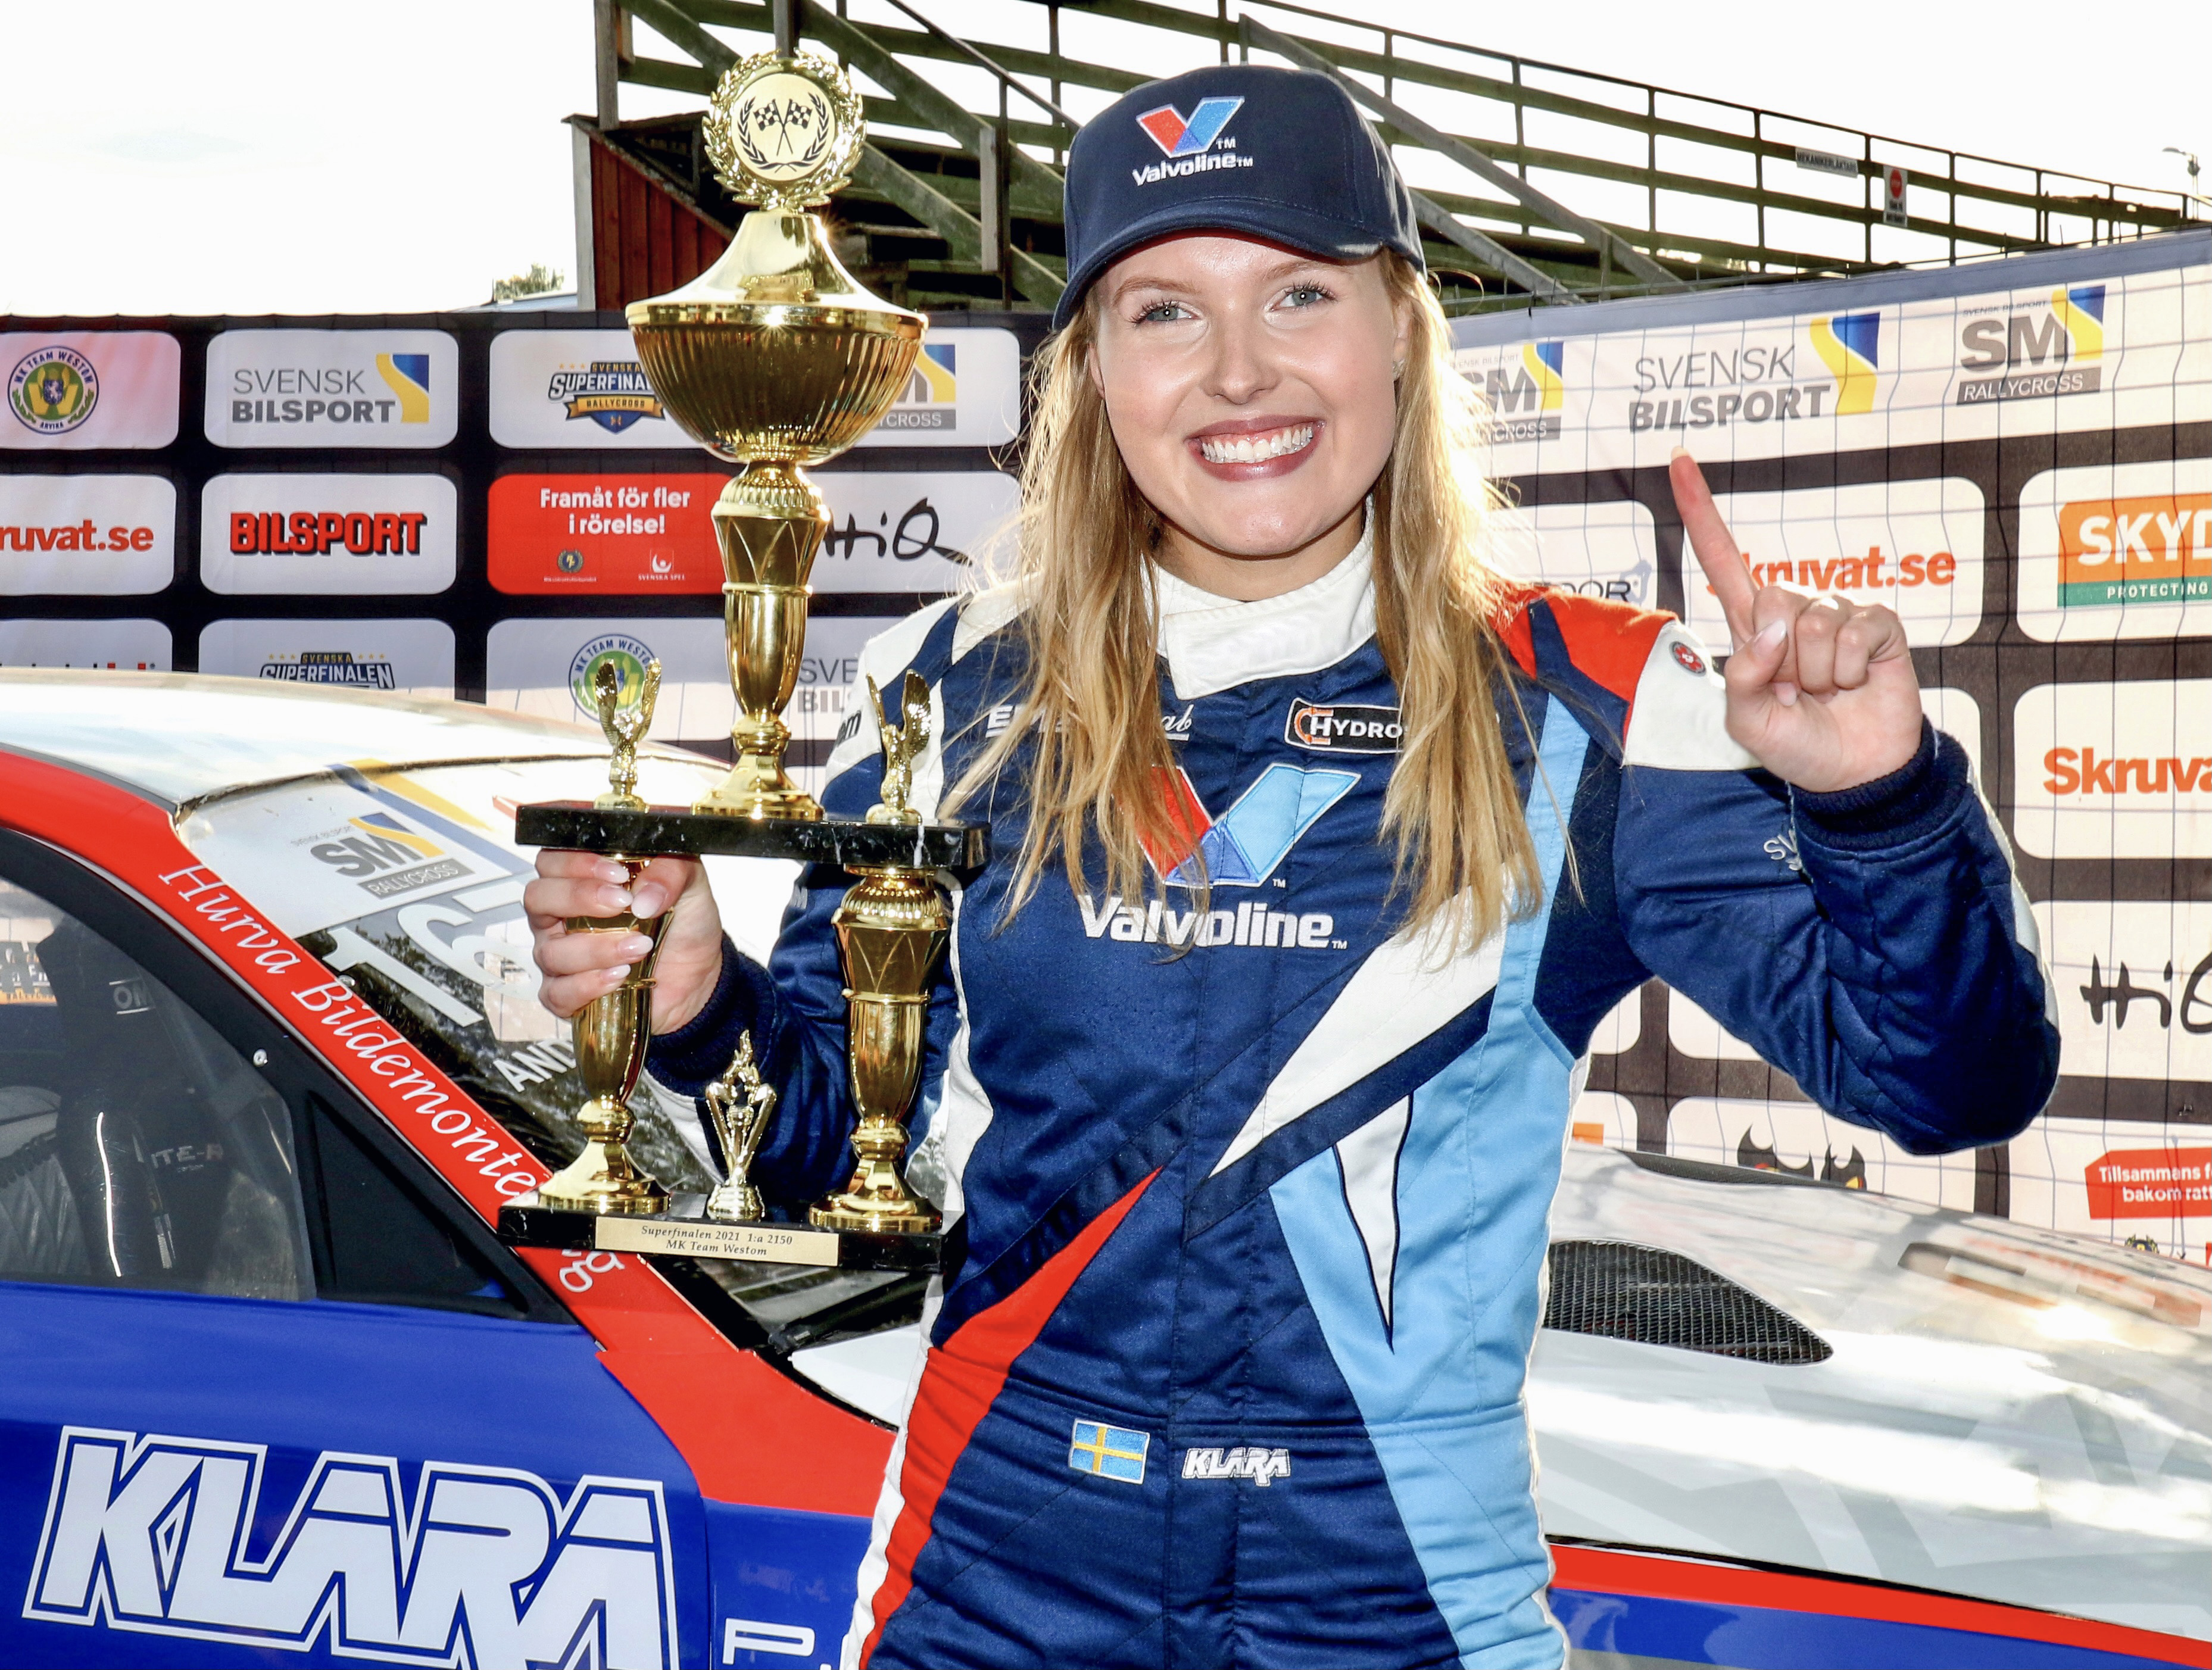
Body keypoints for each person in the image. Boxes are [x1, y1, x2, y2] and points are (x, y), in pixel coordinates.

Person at [527, 63, 2059, 1670]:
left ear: (1400, 328)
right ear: (1091, 372)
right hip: (984, 1599)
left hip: (1394, 1613)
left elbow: (1948, 1084)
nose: (1239, 371)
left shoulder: (1598, 704)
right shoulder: (950, 685)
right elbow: (838, 1160)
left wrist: (1880, 803)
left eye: (1299, 293)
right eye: (1163, 312)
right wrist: (694, 1005)